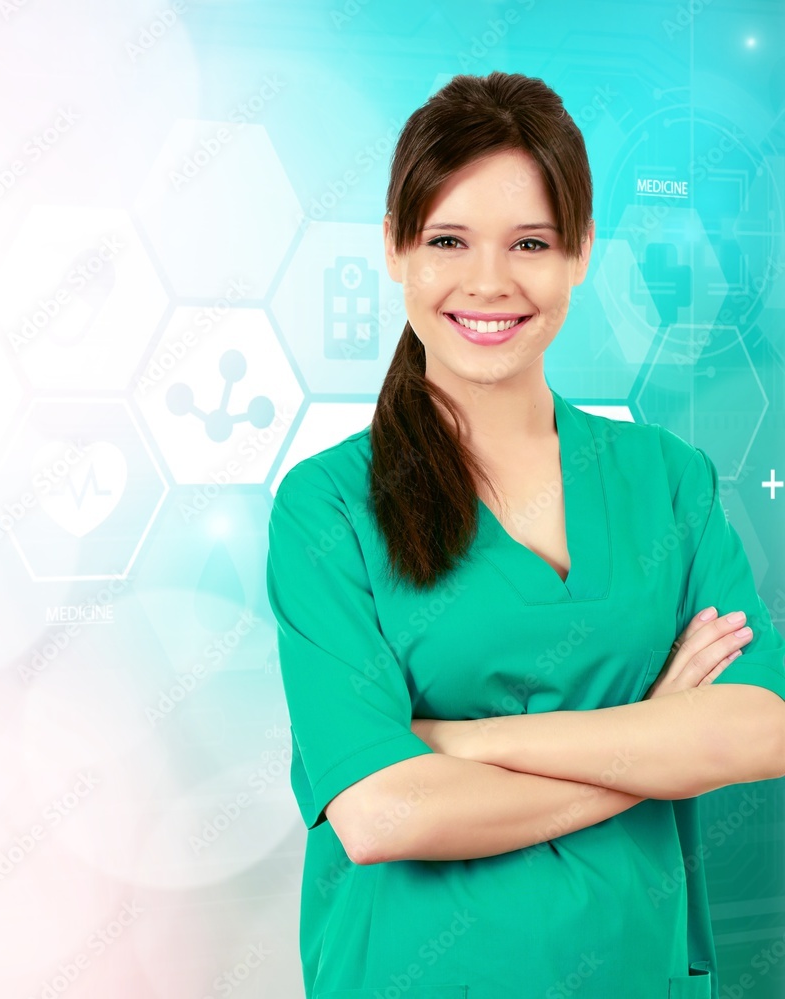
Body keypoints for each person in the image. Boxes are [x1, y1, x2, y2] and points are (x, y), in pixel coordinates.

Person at [265, 71, 785, 998]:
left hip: (639, 970)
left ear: (581, 253)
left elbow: (756, 729)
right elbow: (385, 812)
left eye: (531, 242)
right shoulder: (330, 506)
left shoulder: (669, 481)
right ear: (395, 249)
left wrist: (462, 743)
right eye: (448, 240)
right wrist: (655, 741)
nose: (489, 282)